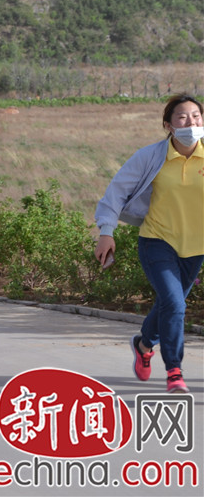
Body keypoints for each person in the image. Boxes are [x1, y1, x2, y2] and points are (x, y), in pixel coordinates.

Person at [95, 94, 203, 394]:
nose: (191, 122)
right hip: (157, 241)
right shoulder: (151, 156)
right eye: (182, 117)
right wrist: (107, 231)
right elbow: (116, 191)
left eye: (196, 116)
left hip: (196, 248)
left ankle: (143, 345)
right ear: (168, 125)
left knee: (171, 304)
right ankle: (174, 370)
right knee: (174, 303)